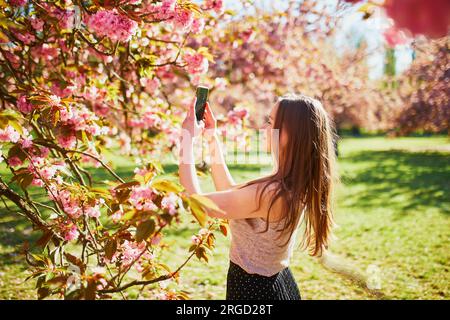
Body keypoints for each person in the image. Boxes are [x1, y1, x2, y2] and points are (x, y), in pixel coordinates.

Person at [178, 93, 337, 300]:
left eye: (271, 123)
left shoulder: (273, 193)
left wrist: (186, 139)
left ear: (291, 134)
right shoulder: (290, 184)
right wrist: (211, 138)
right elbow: (230, 191)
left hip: (254, 291)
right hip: (277, 282)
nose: (264, 129)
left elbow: (199, 202)